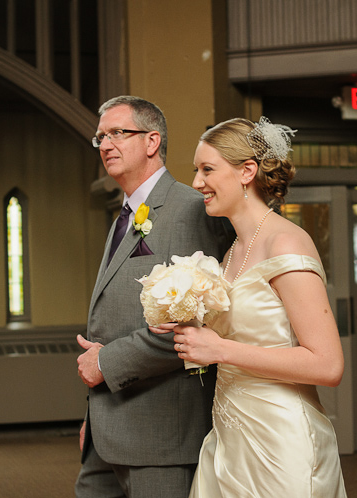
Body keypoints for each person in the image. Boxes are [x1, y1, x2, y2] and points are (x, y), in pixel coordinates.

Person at [151, 117, 348, 497]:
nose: (196, 183)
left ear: (247, 171)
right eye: (196, 170)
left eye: (207, 169)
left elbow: (328, 365)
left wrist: (219, 349)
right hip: (228, 437)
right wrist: (183, 323)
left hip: (281, 441)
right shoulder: (230, 254)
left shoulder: (286, 244)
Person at [75, 96, 230, 498]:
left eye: (117, 133)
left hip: (160, 433)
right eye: (100, 137)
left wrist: (104, 363)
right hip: (108, 426)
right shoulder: (124, 216)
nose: (105, 144)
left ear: (151, 141)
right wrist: (94, 416)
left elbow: (196, 322)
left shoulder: (192, 209)